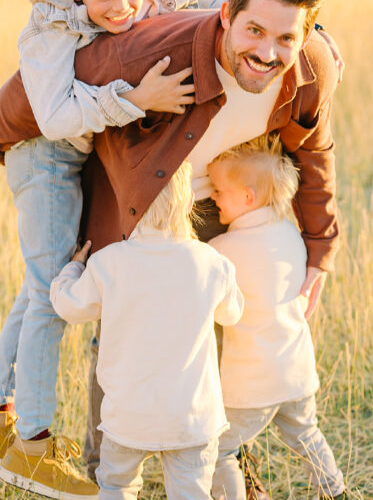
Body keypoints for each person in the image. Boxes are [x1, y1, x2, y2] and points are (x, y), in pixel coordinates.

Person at [0, 0, 342, 490]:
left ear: (306, 35)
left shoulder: (312, 68)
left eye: (286, 38)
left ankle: (214, 456)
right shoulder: (150, 53)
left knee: (215, 330)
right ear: (227, 17)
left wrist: (321, 250)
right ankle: (110, 473)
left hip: (217, 201)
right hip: (136, 206)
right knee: (128, 330)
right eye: (254, 31)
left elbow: (313, 150)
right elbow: (40, 87)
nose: (267, 53)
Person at [0, 0, 227, 497]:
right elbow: (57, 116)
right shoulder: (49, 26)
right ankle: (31, 446)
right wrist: (138, 99)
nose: (123, 7)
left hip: (74, 156)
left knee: (35, 286)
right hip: (44, 160)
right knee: (47, 300)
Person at [50, 162, 244, 499]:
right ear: (187, 203)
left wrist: (72, 268)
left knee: (117, 487)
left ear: (129, 203)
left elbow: (68, 306)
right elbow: (233, 313)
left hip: (128, 417)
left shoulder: (108, 263)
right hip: (192, 418)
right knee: (191, 491)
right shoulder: (211, 263)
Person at [207, 138, 346, 500]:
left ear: (248, 197)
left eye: (219, 190)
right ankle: (334, 491)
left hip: (252, 383)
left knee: (220, 450)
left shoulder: (223, 250)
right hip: (298, 372)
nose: (214, 198)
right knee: (306, 435)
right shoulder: (290, 236)